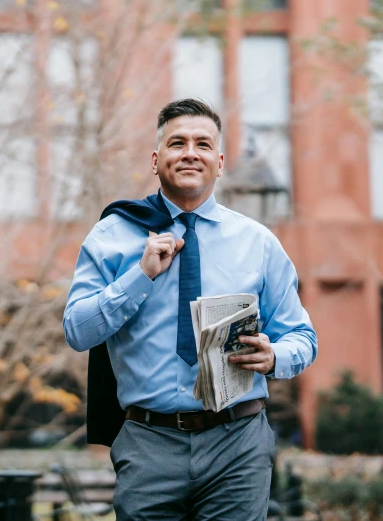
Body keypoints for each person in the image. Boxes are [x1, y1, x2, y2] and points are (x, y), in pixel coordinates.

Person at [63, 98, 317, 520]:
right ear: (156, 158)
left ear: (218, 162)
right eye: (176, 142)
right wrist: (138, 277)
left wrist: (275, 357)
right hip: (149, 441)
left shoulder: (258, 242)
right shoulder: (112, 236)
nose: (189, 152)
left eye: (202, 144)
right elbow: (77, 330)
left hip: (237, 440)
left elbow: (303, 338)